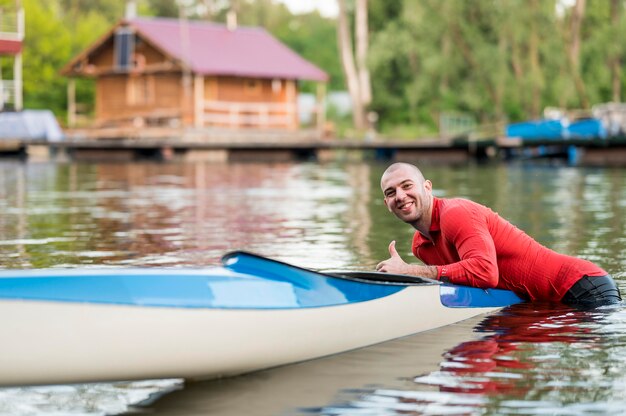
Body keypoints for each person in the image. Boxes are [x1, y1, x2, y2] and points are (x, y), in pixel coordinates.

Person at [375, 162, 622, 307]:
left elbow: (485, 272)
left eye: (407, 186)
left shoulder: (456, 213)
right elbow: (464, 281)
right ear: (386, 203)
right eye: (390, 192)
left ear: (427, 187)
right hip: (544, 304)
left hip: (584, 287)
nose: (399, 196)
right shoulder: (420, 246)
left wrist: (411, 271)